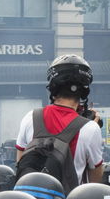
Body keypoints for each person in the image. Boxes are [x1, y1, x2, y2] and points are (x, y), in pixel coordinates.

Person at [15, 54, 105, 189]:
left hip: (29, 198)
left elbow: (20, 163)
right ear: (84, 90)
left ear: (53, 87)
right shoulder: (91, 128)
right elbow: (95, 182)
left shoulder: (30, 117)